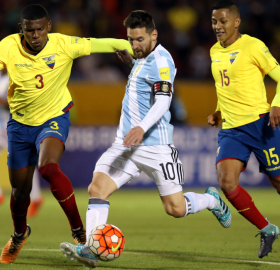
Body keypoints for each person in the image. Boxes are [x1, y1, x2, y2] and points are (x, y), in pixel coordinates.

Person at [59, 10, 232, 269]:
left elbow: (163, 101)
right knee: (98, 188)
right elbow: (144, 81)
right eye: (130, 39)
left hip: (155, 147)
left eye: (140, 39)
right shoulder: (141, 57)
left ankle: (211, 200)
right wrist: (132, 61)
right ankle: (91, 248)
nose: (134, 45)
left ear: (154, 35)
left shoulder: (162, 60)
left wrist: (141, 127)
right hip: (126, 144)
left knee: (175, 208)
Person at [0, 4, 134, 264]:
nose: (35, 35)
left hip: (54, 117)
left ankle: (80, 233)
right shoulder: (7, 46)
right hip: (20, 126)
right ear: (21, 30)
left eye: (40, 29)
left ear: (49, 27)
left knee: (48, 167)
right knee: (19, 192)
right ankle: (20, 234)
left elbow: (109, 42)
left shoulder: (64, 44)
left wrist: (133, 49)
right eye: (30, 30)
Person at [207, 1, 280, 265]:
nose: (217, 27)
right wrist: (217, 111)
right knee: (227, 183)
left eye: (223, 21)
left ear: (236, 22)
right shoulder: (214, 51)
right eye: (214, 21)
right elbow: (224, 88)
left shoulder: (253, 46)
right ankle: (266, 229)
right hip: (232, 130)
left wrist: (276, 104)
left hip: (261, 125)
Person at [0, 70, 44, 217]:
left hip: (14, 126)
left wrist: (5, 104)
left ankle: (36, 199)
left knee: (25, 164)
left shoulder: (18, 77)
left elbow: (24, 103)